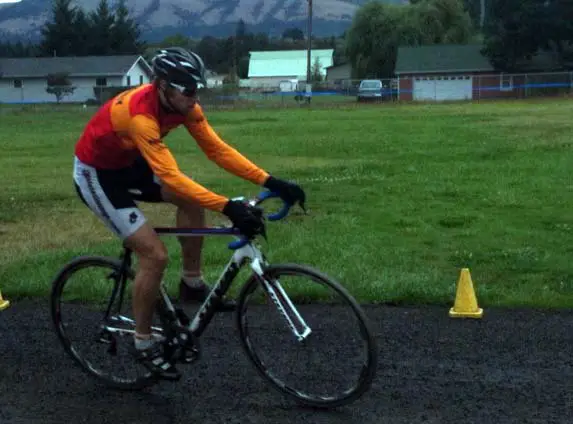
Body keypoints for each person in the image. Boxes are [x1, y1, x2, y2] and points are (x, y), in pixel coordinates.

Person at [72, 47, 306, 379]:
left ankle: (191, 283)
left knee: (191, 201)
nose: (196, 98)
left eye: (198, 89)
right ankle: (142, 343)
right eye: (189, 90)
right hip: (96, 174)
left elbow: (217, 149)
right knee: (154, 256)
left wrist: (270, 180)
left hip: (129, 164)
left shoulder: (183, 104)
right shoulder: (141, 116)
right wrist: (228, 206)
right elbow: (170, 176)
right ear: (163, 86)